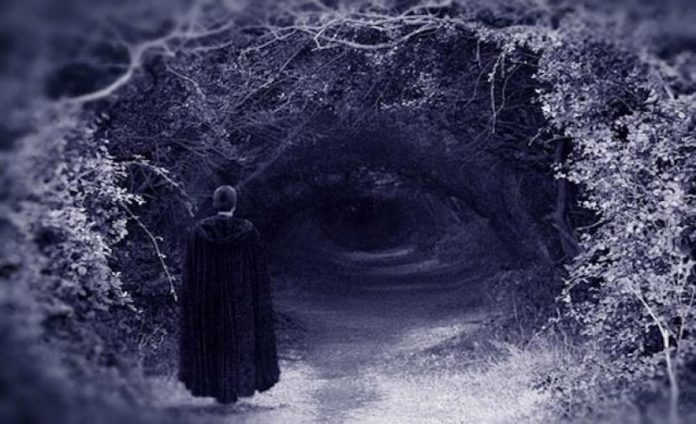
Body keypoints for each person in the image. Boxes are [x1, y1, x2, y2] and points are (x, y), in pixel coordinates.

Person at [178, 185, 280, 404]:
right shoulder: (248, 232)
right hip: (240, 299)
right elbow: (258, 271)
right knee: (237, 342)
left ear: (215, 203)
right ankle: (233, 389)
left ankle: (217, 390)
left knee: (213, 341)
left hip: (208, 299)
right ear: (234, 204)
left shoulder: (199, 232)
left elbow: (190, 271)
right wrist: (258, 300)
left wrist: (191, 300)